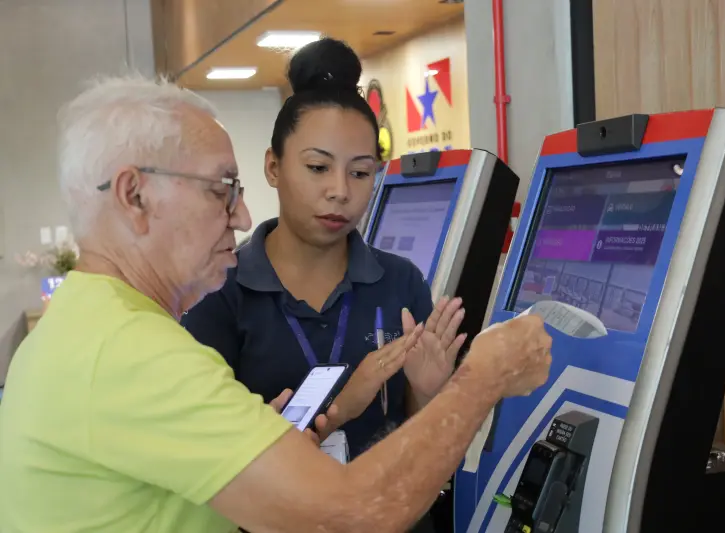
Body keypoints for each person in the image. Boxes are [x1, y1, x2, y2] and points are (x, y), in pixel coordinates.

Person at [0, 74, 552, 533]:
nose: (241, 216)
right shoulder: (132, 354)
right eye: (221, 189)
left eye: (361, 172)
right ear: (135, 196)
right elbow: (348, 514)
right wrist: (483, 377)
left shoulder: (88, 324)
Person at [181, 38, 466, 466]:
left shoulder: (401, 283)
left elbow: (423, 448)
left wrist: (427, 393)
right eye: (318, 168)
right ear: (273, 167)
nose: (340, 191)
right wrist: (340, 410)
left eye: (360, 172)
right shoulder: (220, 290)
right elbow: (204, 456)